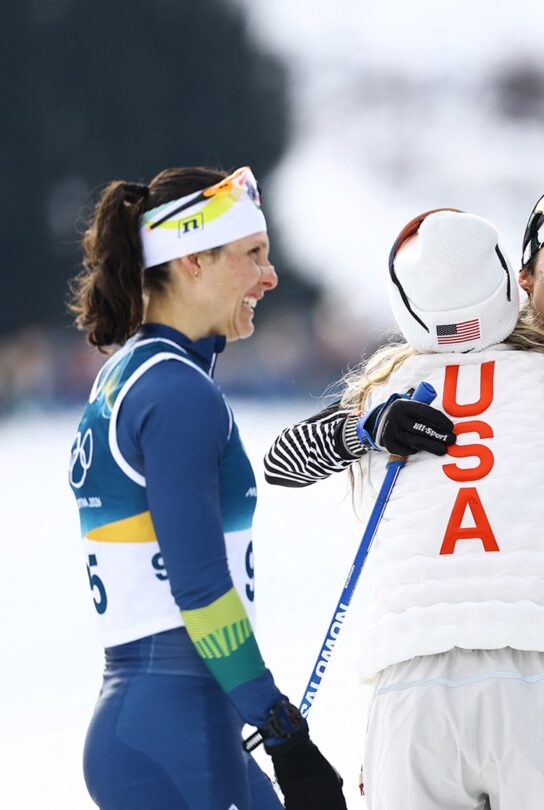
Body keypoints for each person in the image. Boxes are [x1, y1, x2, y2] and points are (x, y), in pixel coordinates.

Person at [274, 208, 544, 808]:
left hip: (421, 676)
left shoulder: (399, 380)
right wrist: (363, 429)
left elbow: (279, 464)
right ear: (521, 279)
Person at [67, 166, 346, 809]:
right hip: (175, 731)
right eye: (253, 256)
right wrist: (279, 727)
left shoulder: (132, 374)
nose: (269, 277)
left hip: (177, 722)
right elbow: (199, 587)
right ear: (192, 260)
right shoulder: (176, 392)